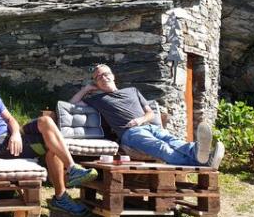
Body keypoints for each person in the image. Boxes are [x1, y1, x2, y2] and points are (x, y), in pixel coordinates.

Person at [0, 53, 97, 215]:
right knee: (51, 146)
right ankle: (61, 196)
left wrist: (16, 133)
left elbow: (9, 118)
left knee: (45, 122)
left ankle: (72, 169)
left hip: (10, 137)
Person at [69, 64, 225, 168]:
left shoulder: (132, 91)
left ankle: (199, 152)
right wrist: (86, 89)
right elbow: (72, 103)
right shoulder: (97, 99)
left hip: (149, 126)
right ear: (96, 82)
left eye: (105, 74)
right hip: (130, 133)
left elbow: (150, 113)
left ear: (113, 75)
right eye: (98, 77)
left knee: (173, 141)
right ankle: (203, 160)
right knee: (162, 147)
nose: (103, 78)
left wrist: (140, 119)